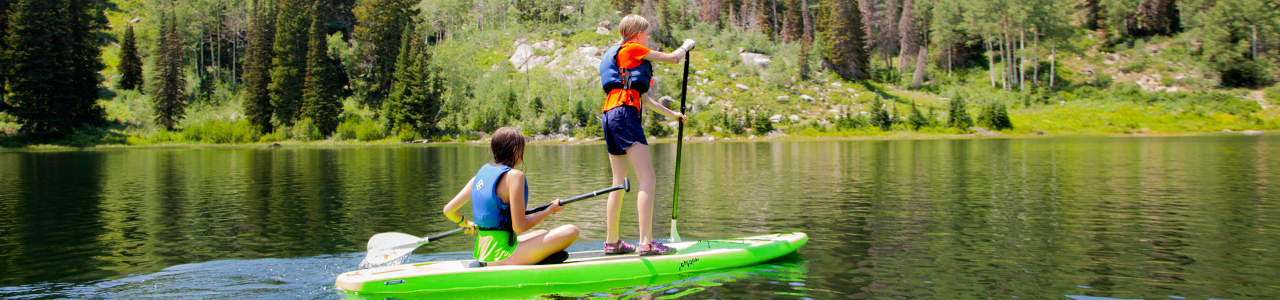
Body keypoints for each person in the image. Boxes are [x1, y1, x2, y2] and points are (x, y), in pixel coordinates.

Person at [597, 14, 695, 256]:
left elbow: (645, 99)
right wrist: (687, 45)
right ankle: (646, 242)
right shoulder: (632, 48)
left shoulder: (619, 57)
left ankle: (612, 242)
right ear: (638, 33)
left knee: (618, 182)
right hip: (624, 116)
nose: (648, 37)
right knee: (648, 178)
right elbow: (673, 58)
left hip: (610, 115)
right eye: (647, 33)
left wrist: (671, 113)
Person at [442, 127, 579, 266]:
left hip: (482, 253)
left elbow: (449, 210)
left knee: (543, 232)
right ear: (515, 150)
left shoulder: (479, 177)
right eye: (522, 148)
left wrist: (465, 223)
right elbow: (519, 227)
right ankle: (527, 262)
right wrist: (549, 211)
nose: (523, 152)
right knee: (571, 231)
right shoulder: (514, 176)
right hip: (501, 256)